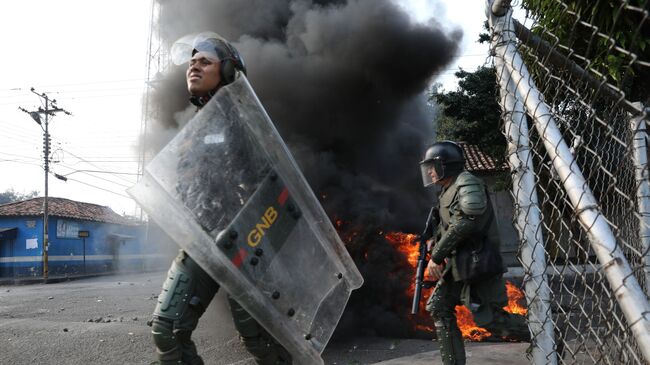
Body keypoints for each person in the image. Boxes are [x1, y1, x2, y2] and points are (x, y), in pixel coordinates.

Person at [149, 33, 291, 365]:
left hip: (241, 241)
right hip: (199, 239)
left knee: (258, 339)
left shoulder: (243, 120)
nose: (193, 67)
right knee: (166, 331)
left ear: (227, 71)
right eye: (191, 62)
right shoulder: (195, 129)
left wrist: (254, 234)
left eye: (205, 61)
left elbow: (271, 185)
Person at [419, 141, 529, 365]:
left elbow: (466, 222)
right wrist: (434, 241)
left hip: (477, 262)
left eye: (433, 165)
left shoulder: (467, 183)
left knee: (488, 320)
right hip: (458, 264)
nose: (429, 171)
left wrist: (437, 257)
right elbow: (449, 226)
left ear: (446, 165)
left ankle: (545, 333)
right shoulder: (447, 189)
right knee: (439, 308)